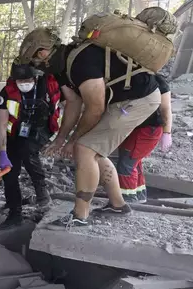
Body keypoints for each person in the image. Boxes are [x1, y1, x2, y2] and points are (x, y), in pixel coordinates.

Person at [18, 27, 161, 229]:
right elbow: (73, 103)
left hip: (137, 100)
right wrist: (61, 139)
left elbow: (95, 108)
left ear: (42, 53)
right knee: (94, 150)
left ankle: (79, 215)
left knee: (84, 149)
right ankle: (118, 205)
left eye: (33, 60)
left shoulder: (80, 62)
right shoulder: (62, 67)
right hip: (122, 101)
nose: (36, 66)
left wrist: (74, 140)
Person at [0, 62, 61, 228]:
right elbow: (2, 124)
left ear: (35, 77)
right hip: (15, 133)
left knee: (27, 150)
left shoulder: (47, 87)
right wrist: (2, 153)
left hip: (40, 130)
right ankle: (14, 212)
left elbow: (69, 103)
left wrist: (62, 139)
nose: (24, 83)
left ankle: (42, 193)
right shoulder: (7, 93)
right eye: (20, 80)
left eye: (28, 79)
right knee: (9, 172)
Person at [116, 74, 173, 203]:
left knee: (126, 165)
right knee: (135, 163)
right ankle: (139, 196)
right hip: (135, 127)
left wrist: (167, 132)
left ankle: (127, 199)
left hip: (147, 130)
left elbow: (165, 109)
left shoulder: (157, 81)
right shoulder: (128, 77)